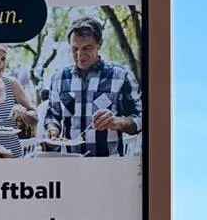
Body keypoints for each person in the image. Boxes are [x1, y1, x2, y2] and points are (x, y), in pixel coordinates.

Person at [44, 16, 142, 156]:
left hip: (108, 163)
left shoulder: (121, 76)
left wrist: (117, 122)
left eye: (87, 48)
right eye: (75, 49)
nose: (79, 55)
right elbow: (52, 115)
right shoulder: (59, 78)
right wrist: (52, 128)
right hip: (69, 161)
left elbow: (140, 118)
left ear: (99, 44)